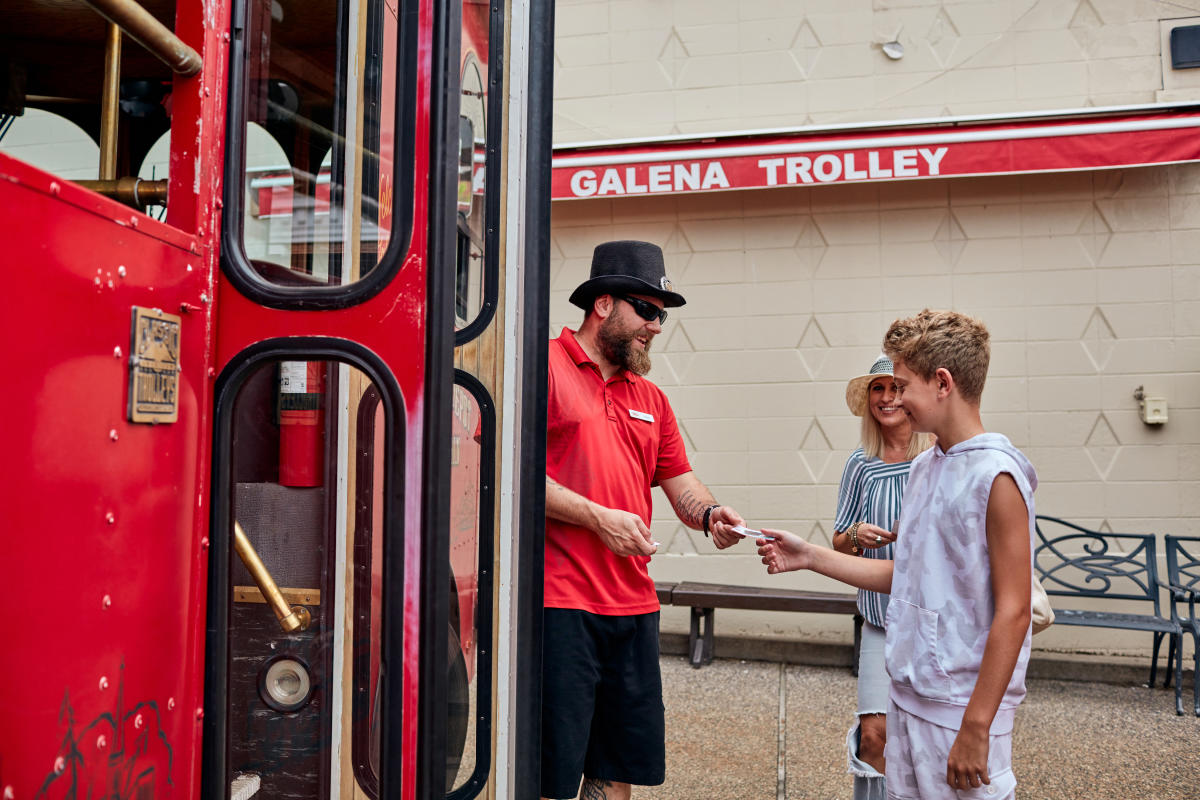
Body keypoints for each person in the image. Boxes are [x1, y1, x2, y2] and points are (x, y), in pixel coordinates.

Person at [758, 309, 1036, 800]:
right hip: (910, 697)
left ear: (942, 383)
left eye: (903, 384)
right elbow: (905, 575)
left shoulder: (997, 477)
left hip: (958, 711)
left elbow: (1014, 611)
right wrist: (809, 555)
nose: (895, 398)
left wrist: (976, 725)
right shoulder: (928, 466)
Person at [542, 240, 745, 800]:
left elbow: (680, 484)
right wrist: (594, 517)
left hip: (632, 608)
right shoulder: (543, 367)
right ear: (603, 305)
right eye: (648, 310)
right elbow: (509, 473)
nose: (657, 326)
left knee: (616, 772)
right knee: (550, 776)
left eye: (663, 315)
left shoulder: (650, 397)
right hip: (560, 607)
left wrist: (711, 515)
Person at [831, 354, 933, 799]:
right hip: (879, 621)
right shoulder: (861, 462)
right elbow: (837, 540)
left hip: (930, 621)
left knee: (925, 741)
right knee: (874, 735)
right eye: (878, 389)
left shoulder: (937, 455)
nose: (887, 398)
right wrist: (857, 535)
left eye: (895, 387)